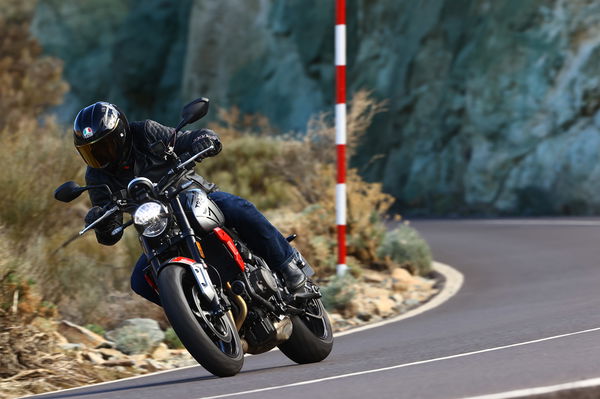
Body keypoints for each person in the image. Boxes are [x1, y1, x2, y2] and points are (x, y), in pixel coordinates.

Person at [73, 101, 306, 306]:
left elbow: (183, 139)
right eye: (92, 151)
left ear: (121, 135)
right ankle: (195, 312)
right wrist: (99, 221)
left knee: (238, 208)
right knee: (139, 282)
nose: (101, 155)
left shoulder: (144, 132)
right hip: (157, 227)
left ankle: (287, 266)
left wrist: (203, 139)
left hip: (191, 196)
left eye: (105, 146)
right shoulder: (96, 176)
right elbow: (111, 233)